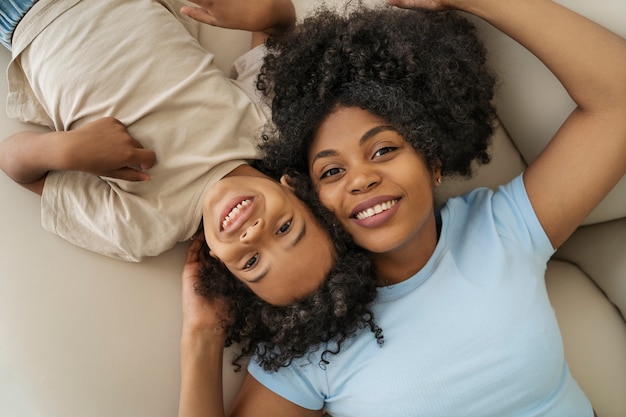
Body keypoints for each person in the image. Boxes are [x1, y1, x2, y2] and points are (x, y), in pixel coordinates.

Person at [179, 0, 626, 415]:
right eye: (331, 173)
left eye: (383, 151)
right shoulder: (309, 341)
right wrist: (201, 337)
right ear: (312, 199)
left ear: (432, 159)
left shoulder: (499, 228)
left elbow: (618, 100)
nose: (361, 179)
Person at [0, 0, 303, 263]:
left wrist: (65, 150)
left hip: (28, 16)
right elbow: (278, 25)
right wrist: (265, 12)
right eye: (285, 228)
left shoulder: (144, 228)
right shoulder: (265, 129)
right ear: (296, 191)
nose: (254, 234)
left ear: (218, 260)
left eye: (251, 262)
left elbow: (12, 161)